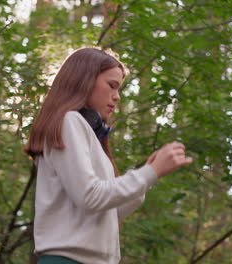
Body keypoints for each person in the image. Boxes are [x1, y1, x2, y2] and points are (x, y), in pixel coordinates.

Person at [24, 47, 193, 264]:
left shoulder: (87, 135)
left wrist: (148, 177)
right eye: (111, 85)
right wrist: (149, 173)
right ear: (83, 80)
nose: (117, 96)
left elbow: (106, 214)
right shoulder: (69, 121)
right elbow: (90, 197)